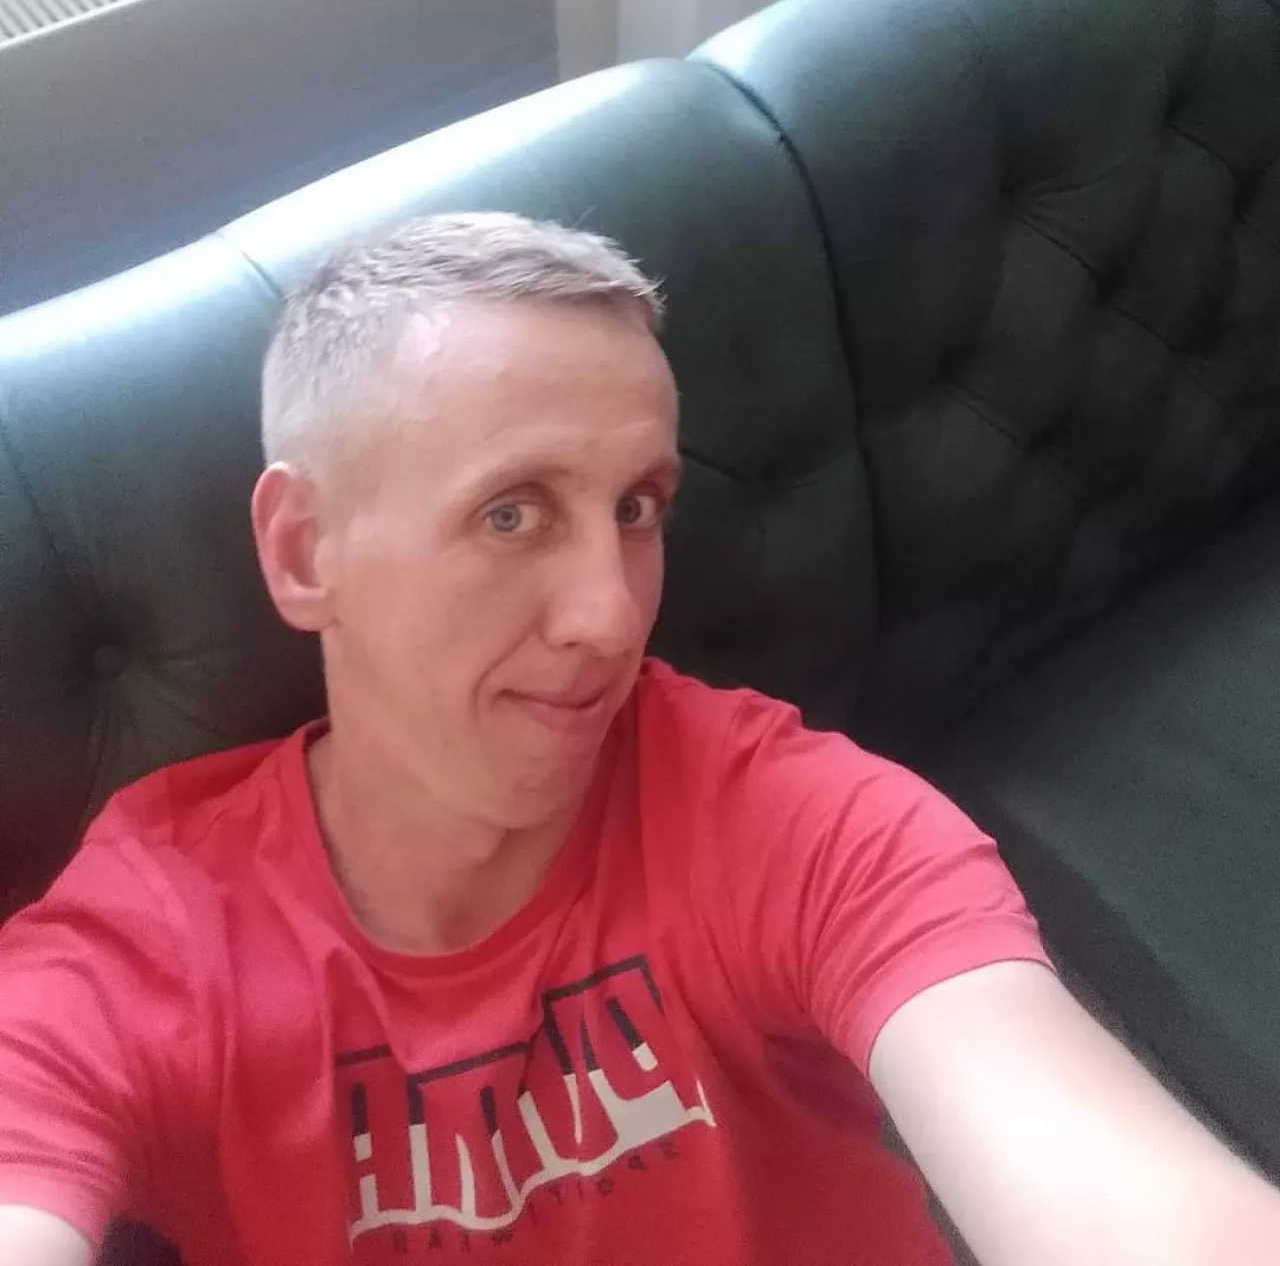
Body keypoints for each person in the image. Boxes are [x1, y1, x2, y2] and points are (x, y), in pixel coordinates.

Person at [1, 213, 1277, 1266]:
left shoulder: (775, 816)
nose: (610, 617)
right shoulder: (155, 947)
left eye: (637, 507)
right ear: (302, 551)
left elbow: (1088, 1168)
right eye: (511, 514)